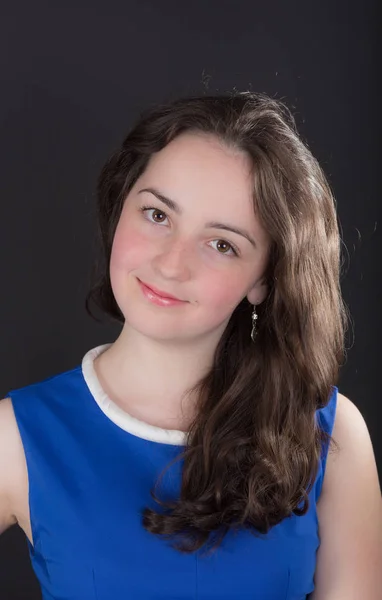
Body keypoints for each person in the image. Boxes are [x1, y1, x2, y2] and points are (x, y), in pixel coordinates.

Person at [0, 91, 381, 600]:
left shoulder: (332, 437)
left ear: (263, 280)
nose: (172, 263)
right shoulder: (15, 438)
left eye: (222, 244)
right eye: (157, 215)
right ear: (120, 208)